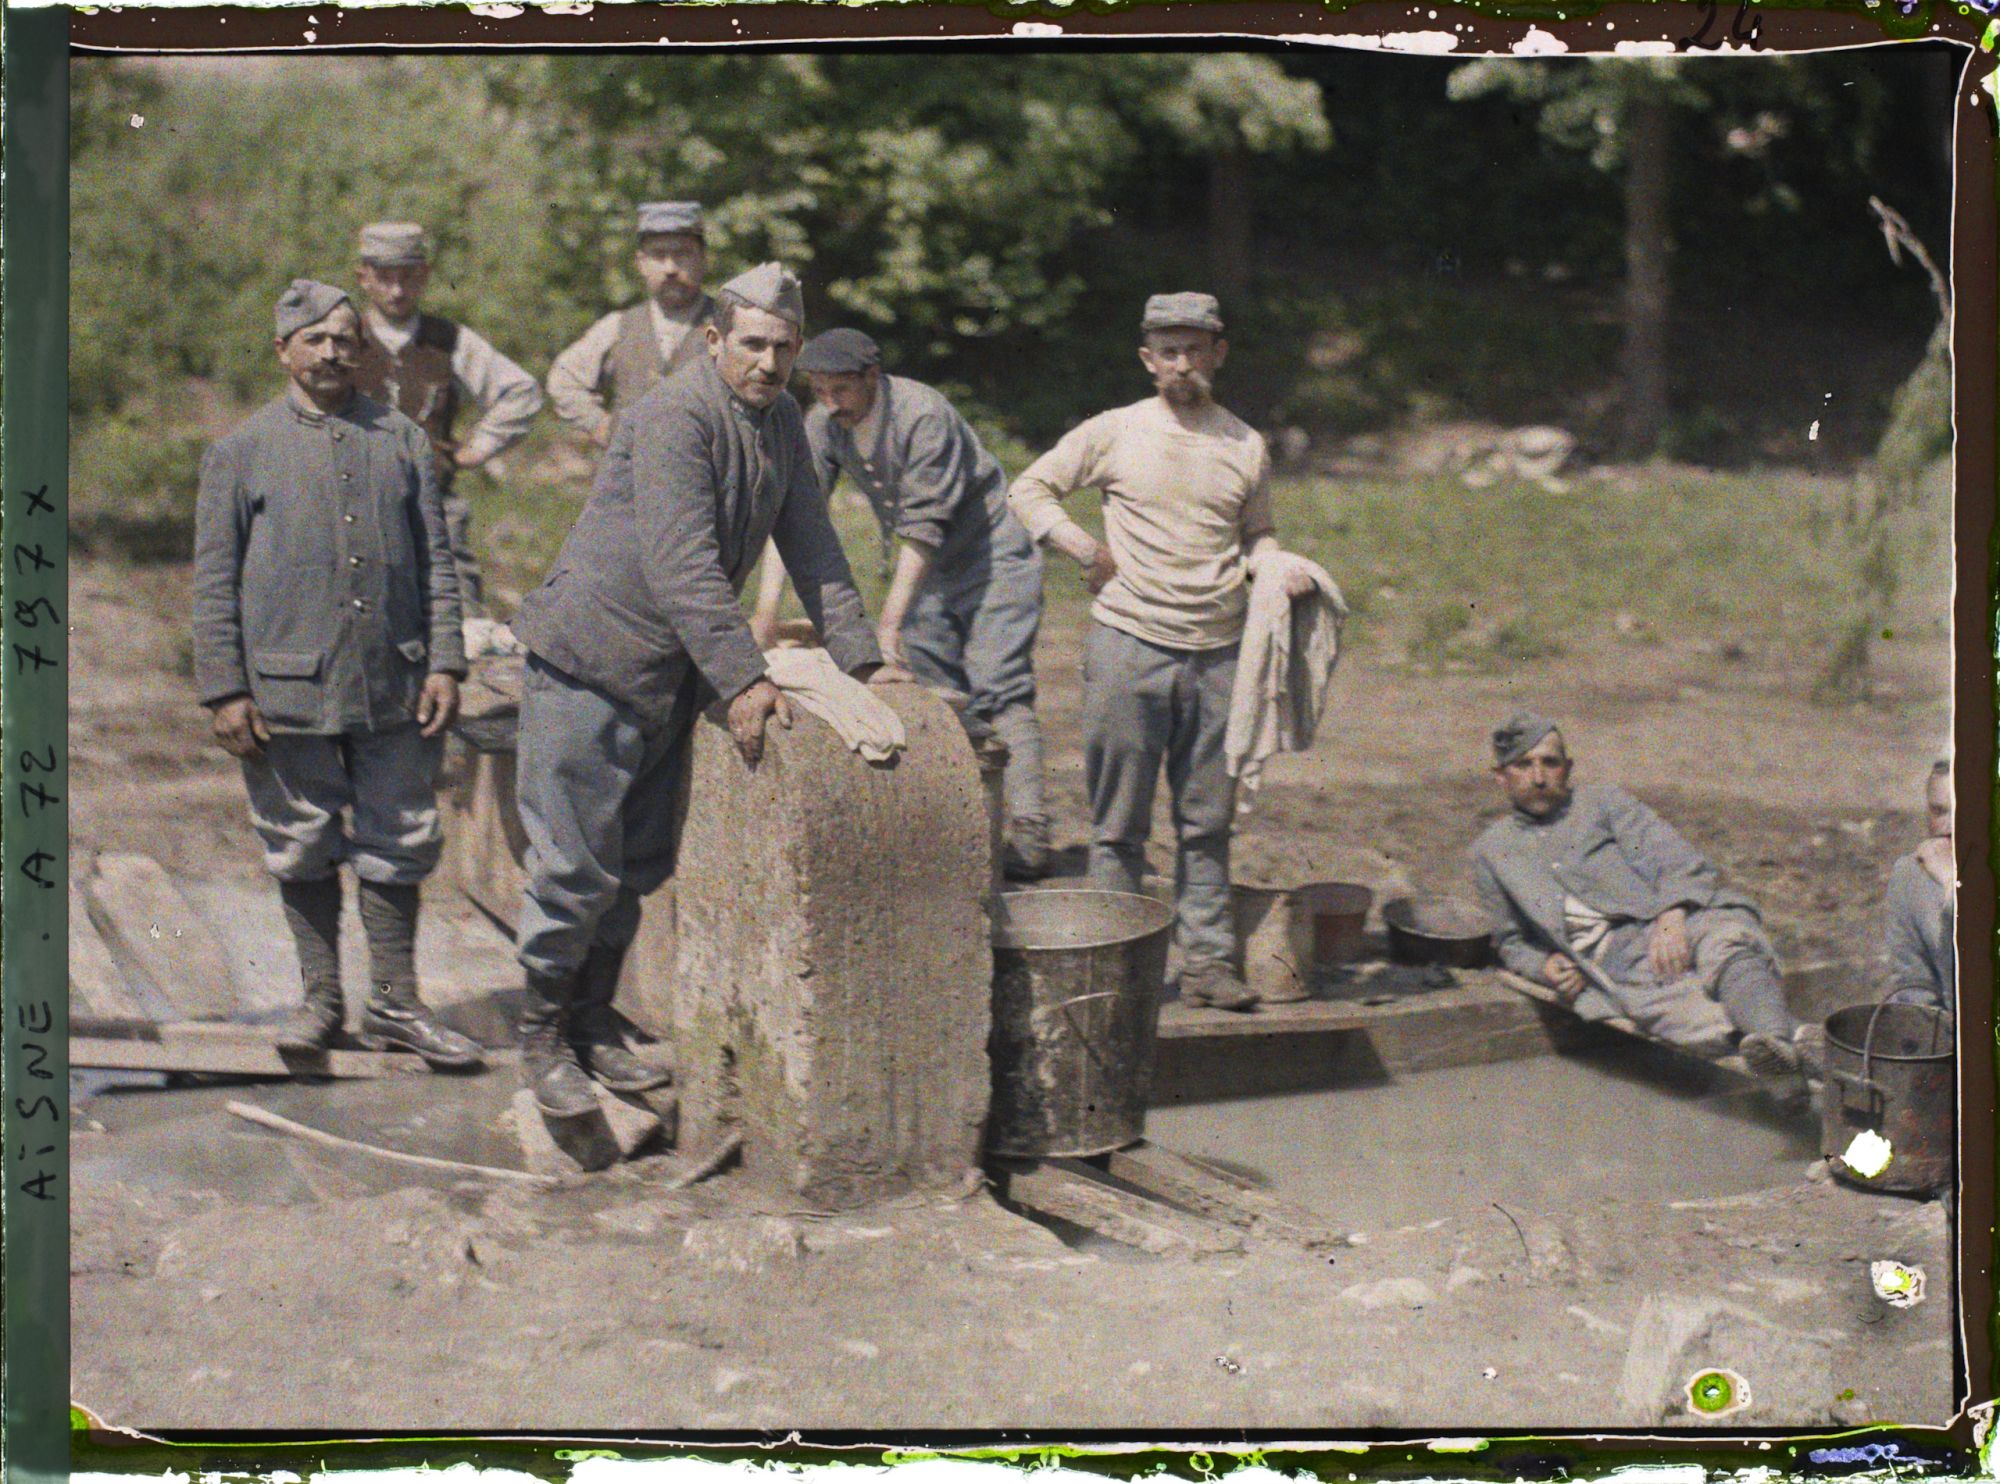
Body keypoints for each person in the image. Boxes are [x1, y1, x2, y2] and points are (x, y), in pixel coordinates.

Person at [508, 263, 911, 1118]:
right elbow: (684, 564)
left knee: (634, 865)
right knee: (573, 871)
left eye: (784, 348)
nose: (768, 363)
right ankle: (542, 1043)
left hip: (666, 674)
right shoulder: (671, 418)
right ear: (715, 340)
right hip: (589, 659)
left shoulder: (783, 433)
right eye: (752, 345)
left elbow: (816, 551)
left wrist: (865, 662)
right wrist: (744, 678)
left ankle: (592, 1027)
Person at [192, 279, 484, 1070]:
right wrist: (225, 688)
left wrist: (448, 661)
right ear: (281, 351)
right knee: (301, 839)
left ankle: (395, 1003)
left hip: (397, 683)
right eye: (314, 340)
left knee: (401, 837)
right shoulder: (240, 452)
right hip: (287, 690)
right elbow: (213, 582)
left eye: (344, 339)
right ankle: (320, 999)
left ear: (362, 351)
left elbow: (440, 568)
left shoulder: (400, 440)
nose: (330, 352)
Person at [1007, 293, 1314, 1011]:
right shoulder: (1116, 431)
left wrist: (1274, 565)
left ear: (1218, 354)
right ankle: (1116, 966)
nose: (1182, 363)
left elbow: (1257, 533)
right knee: (1118, 825)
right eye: (1168, 351)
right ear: (1148, 360)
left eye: (1195, 349)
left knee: (1207, 823)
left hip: (1217, 653)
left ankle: (1207, 965)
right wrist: (1084, 547)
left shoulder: (1244, 444)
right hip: (1128, 645)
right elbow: (1030, 488)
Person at [752, 327, 1051, 877]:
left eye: (841, 388)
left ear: (873, 377)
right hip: (926, 574)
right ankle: (971, 828)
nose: (830, 401)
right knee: (937, 697)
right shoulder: (823, 423)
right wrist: (766, 611)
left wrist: (888, 622)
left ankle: (1030, 832)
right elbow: (794, 515)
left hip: (993, 562)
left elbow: (923, 527)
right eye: (819, 389)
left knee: (997, 688)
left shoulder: (923, 415)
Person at [1470, 709, 1811, 1076]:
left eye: (1549, 763)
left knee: (1727, 940)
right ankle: (1798, 1052)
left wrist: (1672, 914)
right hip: (1618, 967)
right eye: (1523, 765)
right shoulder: (1492, 852)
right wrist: (1545, 966)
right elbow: (1510, 943)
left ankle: (1776, 1041)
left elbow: (1676, 860)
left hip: (1676, 925)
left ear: (1567, 768)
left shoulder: (1603, 805)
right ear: (1500, 777)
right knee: (1692, 1020)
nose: (1538, 778)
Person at [350, 221, 543, 615]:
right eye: (385, 279)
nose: (397, 291)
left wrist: (477, 449)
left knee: (459, 618)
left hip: (432, 509)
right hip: (352, 509)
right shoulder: (342, 337)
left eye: (408, 278)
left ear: (424, 276)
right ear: (363, 278)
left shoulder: (449, 340)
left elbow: (521, 392)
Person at [545, 200, 718, 449]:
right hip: (628, 479)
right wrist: (599, 425)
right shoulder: (617, 327)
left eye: (682, 254)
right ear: (641, 263)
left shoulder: (731, 325)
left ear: (703, 258)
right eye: (658, 255)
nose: (670, 268)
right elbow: (563, 380)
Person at [1885, 758, 1955, 1012]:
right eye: (1938, 811)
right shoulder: (1912, 875)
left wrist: (1951, 884)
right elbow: (1912, 985)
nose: (1947, 827)